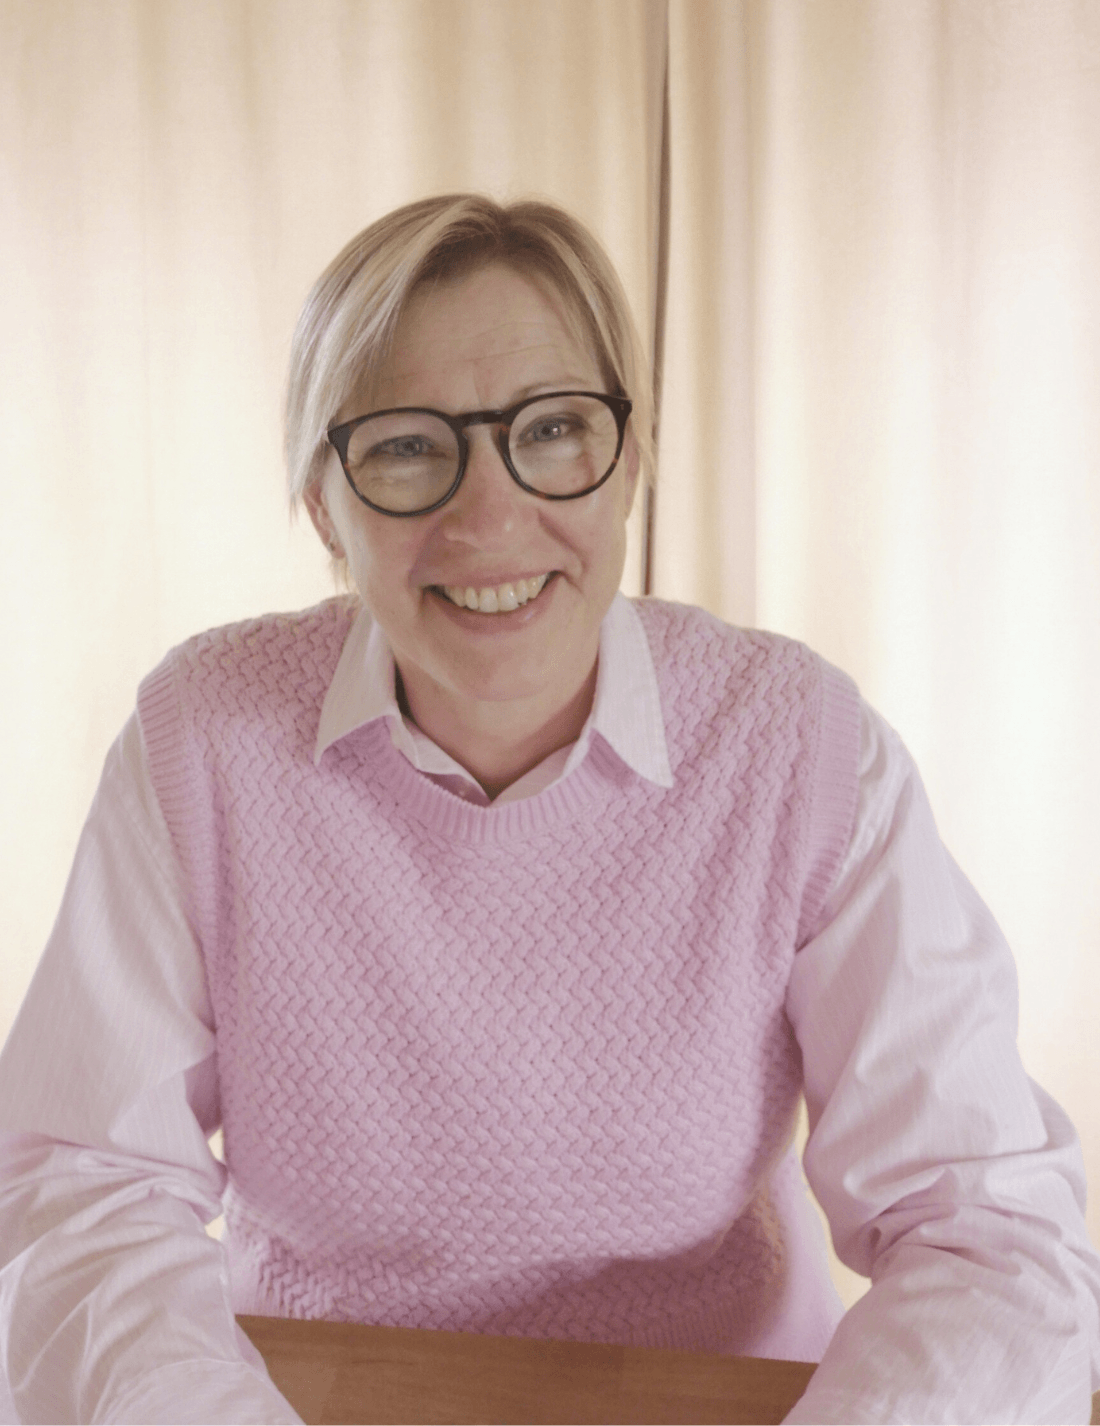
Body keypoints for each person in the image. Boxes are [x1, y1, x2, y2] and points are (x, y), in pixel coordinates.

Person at [0, 193, 1098, 1426]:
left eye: (554, 429)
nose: (488, 517)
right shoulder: (201, 739)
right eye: (406, 447)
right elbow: (82, 1191)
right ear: (323, 503)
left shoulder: (798, 747)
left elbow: (988, 1228)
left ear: (627, 462)